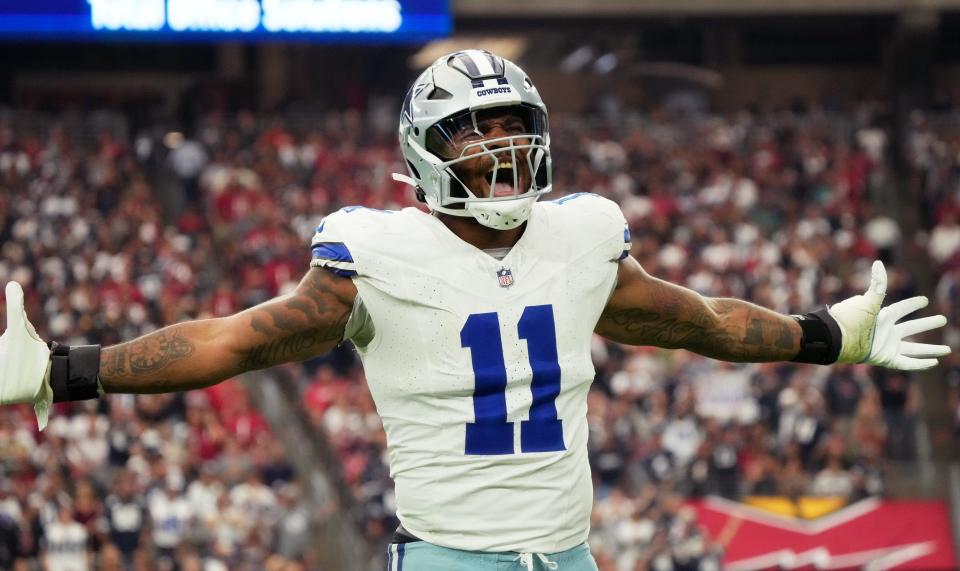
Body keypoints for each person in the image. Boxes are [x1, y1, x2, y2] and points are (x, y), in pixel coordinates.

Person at [0, 50, 951, 571]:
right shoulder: (373, 255)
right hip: (451, 563)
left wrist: (827, 336)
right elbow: (231, 340)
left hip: (569, 555)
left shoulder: (582, 236)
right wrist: (66, 368)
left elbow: (697, 319)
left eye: (512, 128)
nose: (499, 150)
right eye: (474, 132)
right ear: (423, 153)